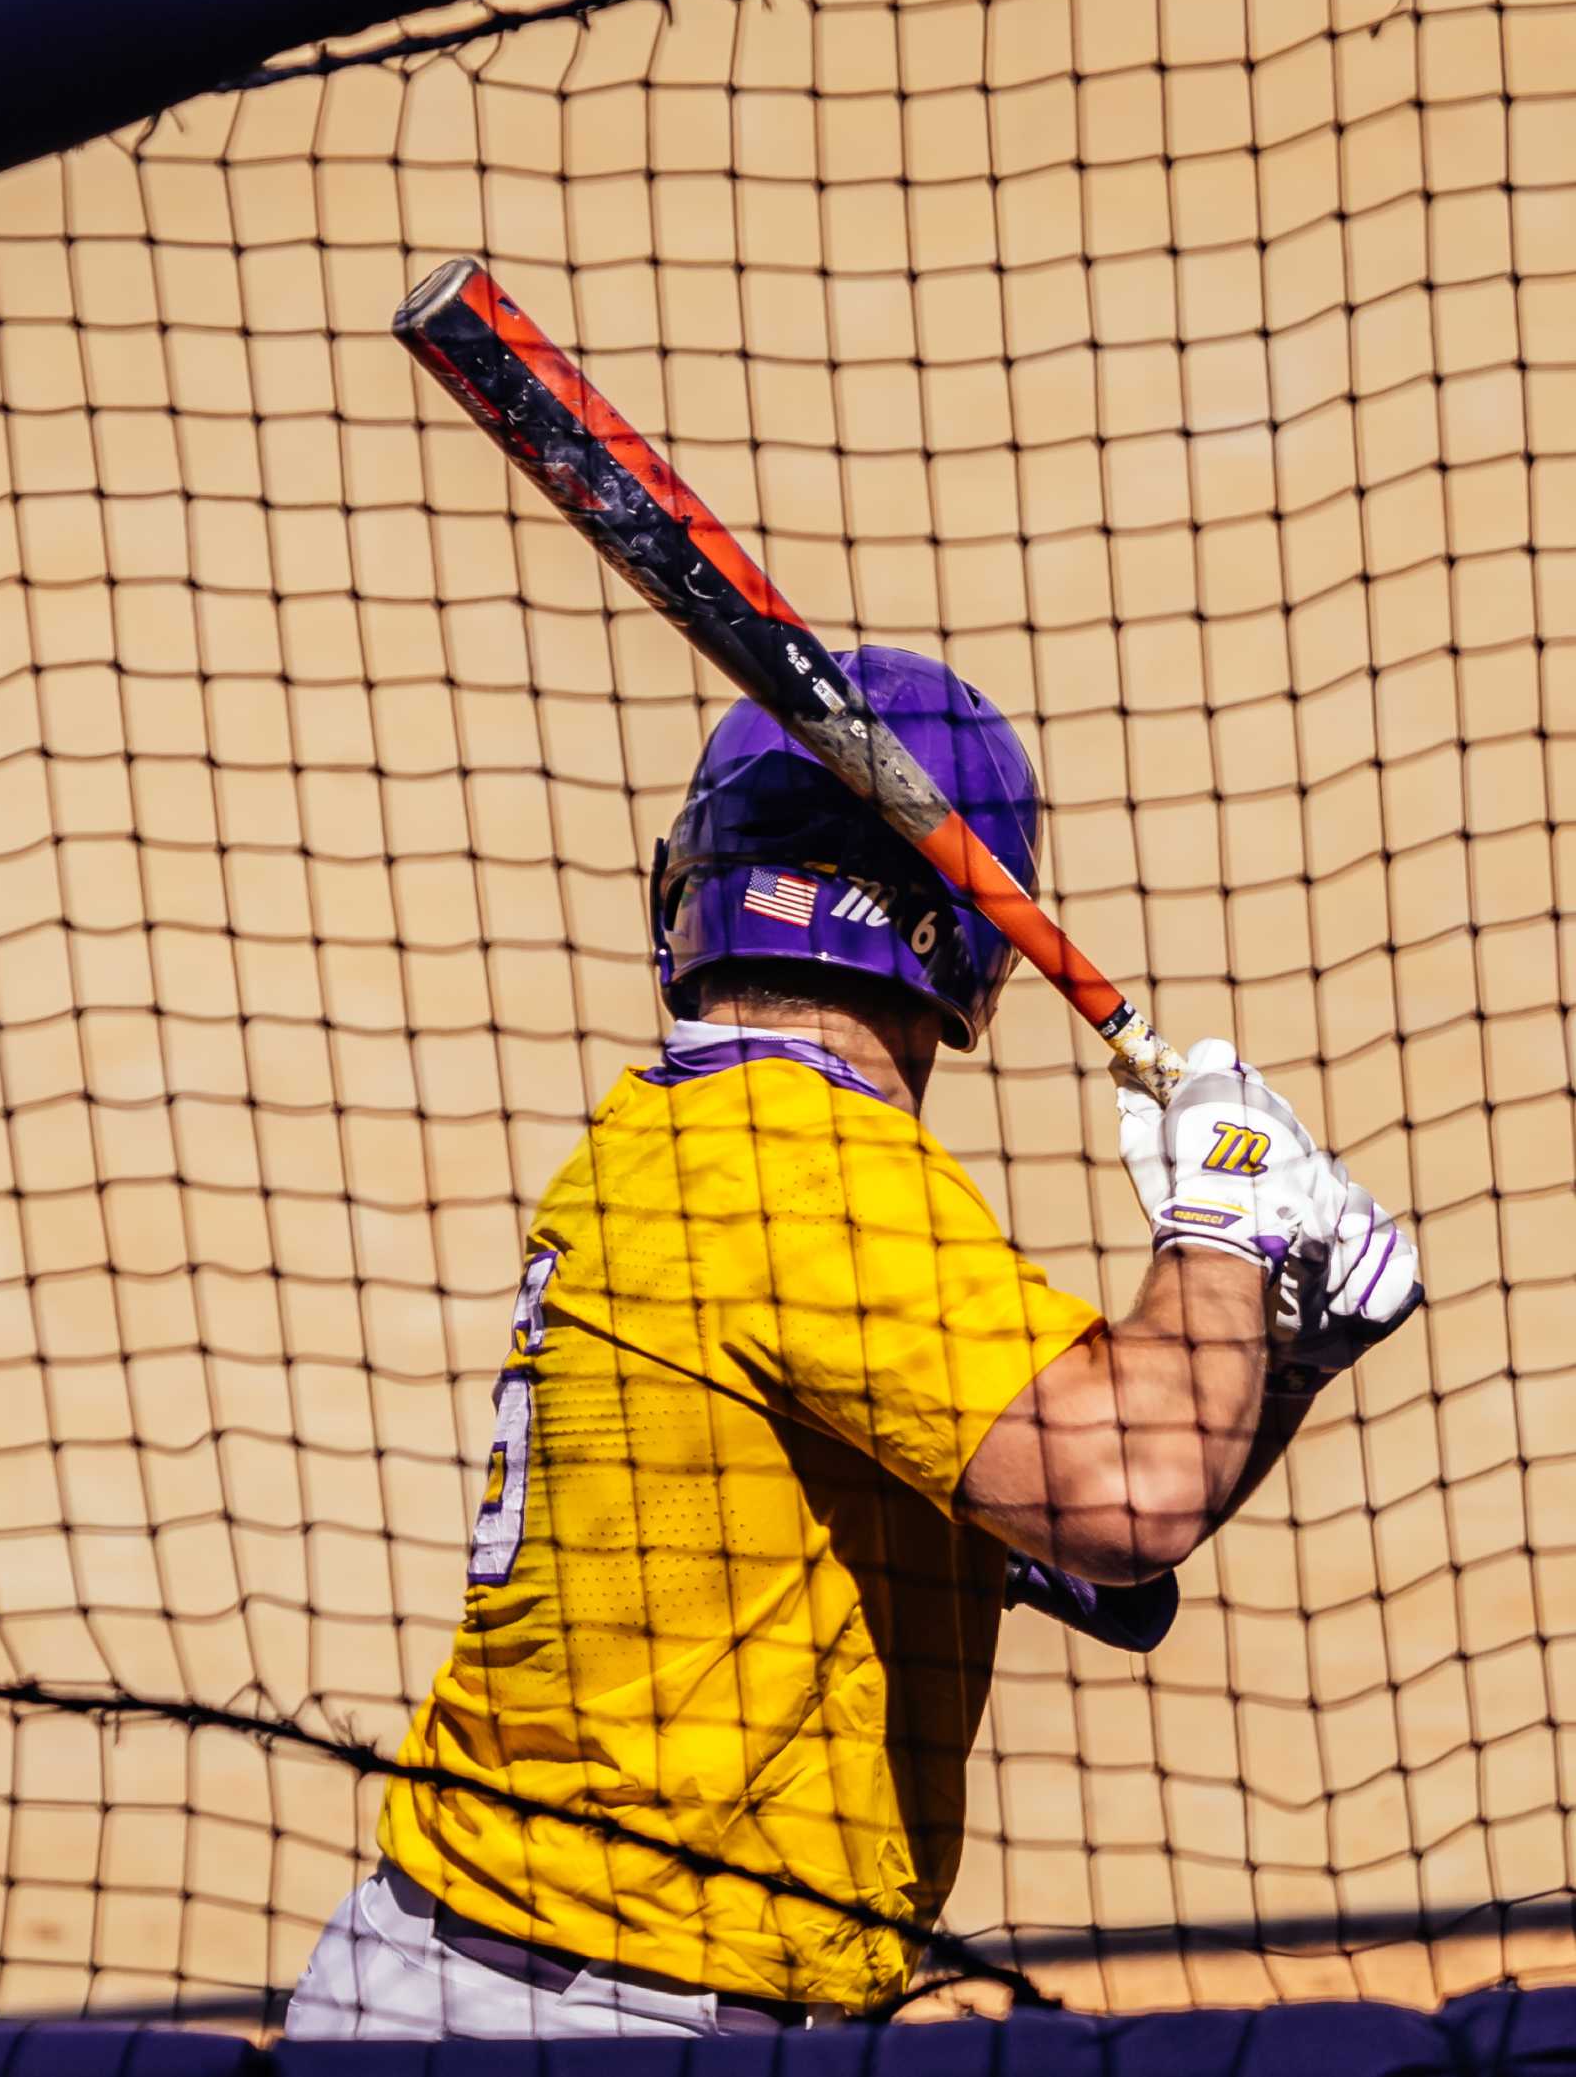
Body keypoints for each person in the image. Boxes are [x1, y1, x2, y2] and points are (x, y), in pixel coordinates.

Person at [286, 647, 1421, 2041]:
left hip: (503, 1992)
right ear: (976, 947)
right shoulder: (807, 1170)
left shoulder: (693, 1138)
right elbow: (1133, 1493)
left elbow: (1081, 1530)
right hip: (593, 2023)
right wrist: (1228, 1205)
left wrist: (1285, 1341)